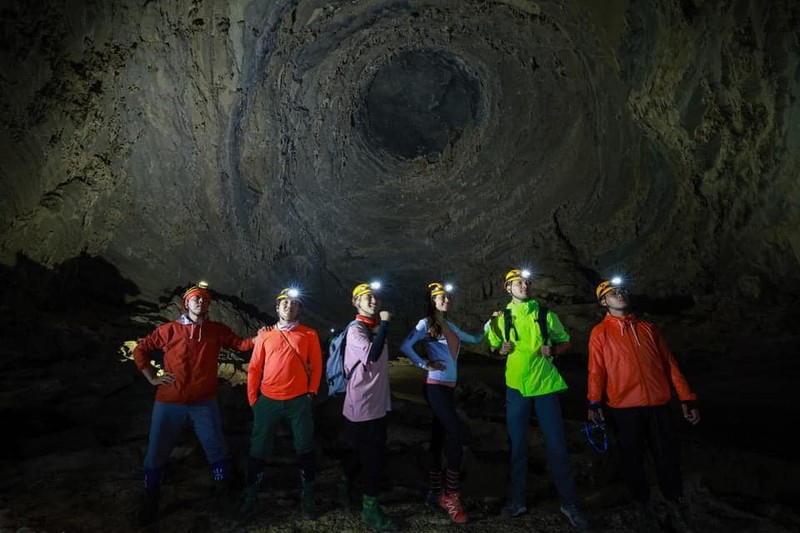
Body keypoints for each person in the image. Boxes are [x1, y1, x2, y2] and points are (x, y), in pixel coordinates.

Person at [132, 281, 257, 526]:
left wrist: (261, 337)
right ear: (186, 303)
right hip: (169, 401)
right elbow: (141, 351)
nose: (200, 302)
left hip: (203, 401)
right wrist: (153, 378)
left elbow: (241, 344)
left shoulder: (215, 330)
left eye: (204, 300)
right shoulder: (169, 330)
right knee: (156, 451)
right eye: (195, 299)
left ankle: (223, 497)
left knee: (216, 447)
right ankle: (151, 499)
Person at [588, 279, 700, 532]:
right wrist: (593, 403)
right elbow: (596, 371)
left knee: (667, 457)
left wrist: (686, 397)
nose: (620, 294)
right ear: (603, 302)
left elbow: (670, 365)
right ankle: (643, 507)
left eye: (622, 290)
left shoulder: (648, 327)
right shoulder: (600, 333)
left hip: (658, 404)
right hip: (624, 408)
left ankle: (675, 504)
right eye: (612, 293)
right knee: (633, 460)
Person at [485, 269, 588, 530]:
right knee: (518, 446)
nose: (524, 285)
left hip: (544, 386)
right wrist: (500, 349)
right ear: (507, 288)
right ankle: (517, 500)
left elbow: (566, 343)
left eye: (526, 282)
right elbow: (493, 347)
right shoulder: (501, 319)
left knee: (557, 446)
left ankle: (569, 503)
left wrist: (553, 349)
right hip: (516, 387)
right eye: (518, 282)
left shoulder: (545, 314)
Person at [399, 282, 484, 523]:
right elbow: (405, 345)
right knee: (456, 433)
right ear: (432, 301)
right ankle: (450, 496)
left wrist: (491, 324)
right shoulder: (426, 323)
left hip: (448, 389)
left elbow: (476, 338)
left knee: (438, 437)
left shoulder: (450, 325)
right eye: (440, 297)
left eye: (447, 296)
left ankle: (434, 492)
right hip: (435, 386)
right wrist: (423, 364)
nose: (445, 299)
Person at [238, 287, 323, 520]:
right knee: (258, 449)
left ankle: (308, 497)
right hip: (268, 400)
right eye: (284, 302)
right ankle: (250, 494)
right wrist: (254, 400)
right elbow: (254, 367)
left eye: (294, 303)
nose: (289, 306)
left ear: (299, 309)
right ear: (277, 307)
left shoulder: (309, 334)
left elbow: (316, 365)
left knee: (305, 447)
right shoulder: (265, 335)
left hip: (298, 401)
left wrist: (311, 392)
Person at [336, 281, 398, 532]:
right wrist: (384, 323)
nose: (373, 300)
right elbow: (372, 354)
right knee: (374, 457)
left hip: (378, 403)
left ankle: (343, 482)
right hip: (362, 405)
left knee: (365, 451)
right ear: (356, 303)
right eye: (366, 297)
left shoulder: (372, 329)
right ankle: (369, 510)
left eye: (375, 297)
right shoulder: (356, 330)